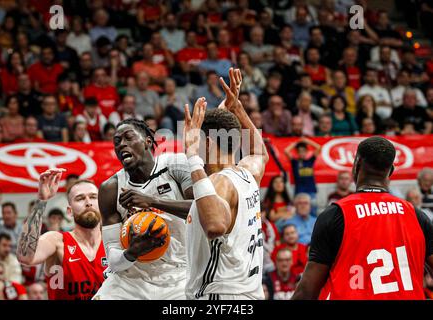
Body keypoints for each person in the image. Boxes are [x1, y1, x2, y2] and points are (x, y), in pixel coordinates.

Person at [292, 136, 433, 300]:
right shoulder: (416, 215)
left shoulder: (335, 215)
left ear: (356, 165)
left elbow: (307, 291)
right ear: (391, 171)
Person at [185, 68, 269, 300]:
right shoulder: (249, 173)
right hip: (250, 293)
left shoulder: (218, 183)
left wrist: (193, 157)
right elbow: (259, 151)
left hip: (220, 296)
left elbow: (215, 226)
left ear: (208, 142)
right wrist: (236, 108)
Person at [94, 117, 194, 300]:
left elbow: (202, 209)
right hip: (130, 280)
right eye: (117, 142)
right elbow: (114, 262)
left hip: (178, 277)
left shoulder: (175, 164)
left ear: (148, 141)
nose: (122, 144)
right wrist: (132, 252)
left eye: (128, 137)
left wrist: (153, 202)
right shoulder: (110, 188)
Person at [16, 169, 107, 300]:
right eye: (80, 198)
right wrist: (41, 200)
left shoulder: (114, 241)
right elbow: (24, 256)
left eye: (93, 197)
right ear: (69, 211)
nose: (88, 202)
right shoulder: (57, 241)